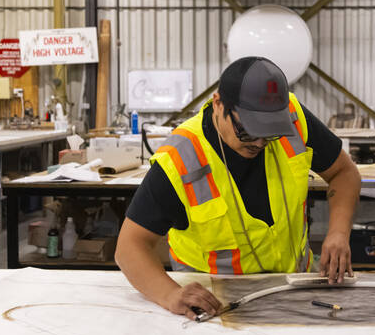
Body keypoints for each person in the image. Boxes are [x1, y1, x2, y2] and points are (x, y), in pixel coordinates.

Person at [116, 57, 362, 319]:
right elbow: (130, 248)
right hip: (214, 305)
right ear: (219, 104)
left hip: (291, 289)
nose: (258, 143)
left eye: (270, 133)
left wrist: (337, 232)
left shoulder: (292, 118)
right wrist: (170, 294)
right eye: (247, 131)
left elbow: (344, 173)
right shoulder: (182, 158)